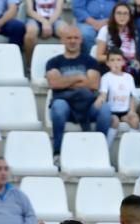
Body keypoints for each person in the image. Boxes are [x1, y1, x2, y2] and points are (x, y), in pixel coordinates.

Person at [45, 25, 112, 157]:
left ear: (81, 40)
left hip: (88, 105)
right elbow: (55, 83)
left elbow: (93, 84)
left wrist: (66, 82)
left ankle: (100, 150)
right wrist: (79, 78)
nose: (72, 41)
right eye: (69, 38)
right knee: (58, 106)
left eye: (76, 38)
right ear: (62, 40)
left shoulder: (90, 61)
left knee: (105, 109)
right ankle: (57, 152)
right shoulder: (53, 62)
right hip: (66, 105)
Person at [96, 49, 139, 146]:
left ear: (123, 62)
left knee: (135, 120)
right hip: (112, 111)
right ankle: (106, 149)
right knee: (114, 121)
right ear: (107, 63)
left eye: (119, 60)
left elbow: (132, 96)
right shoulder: (106, 77)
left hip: (125, 111)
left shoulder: (128, 77)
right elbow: (103, 94)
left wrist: (132, 111)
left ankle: (132, 148)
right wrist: (99, 102)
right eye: (112, 60)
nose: (116, 62)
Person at [95, 2, 140, 78]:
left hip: (129, 63)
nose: (122, 16)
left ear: (129, 16)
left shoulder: (133, 31)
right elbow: (99, 57)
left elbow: (134, 53)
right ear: (114, 15)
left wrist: (136, 61)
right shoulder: (105, 30)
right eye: (119, 13)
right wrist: (118, 58)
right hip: (111, 64)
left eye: (125, 14)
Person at [24, 0, 65, 65]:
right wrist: (44, 22)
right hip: (35, 18)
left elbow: (58, 10)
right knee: (30, 34)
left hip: (54, 19)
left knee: (66, 32)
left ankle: (64, 63)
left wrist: (48, 23)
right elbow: (30, 11)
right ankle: (30, 64)